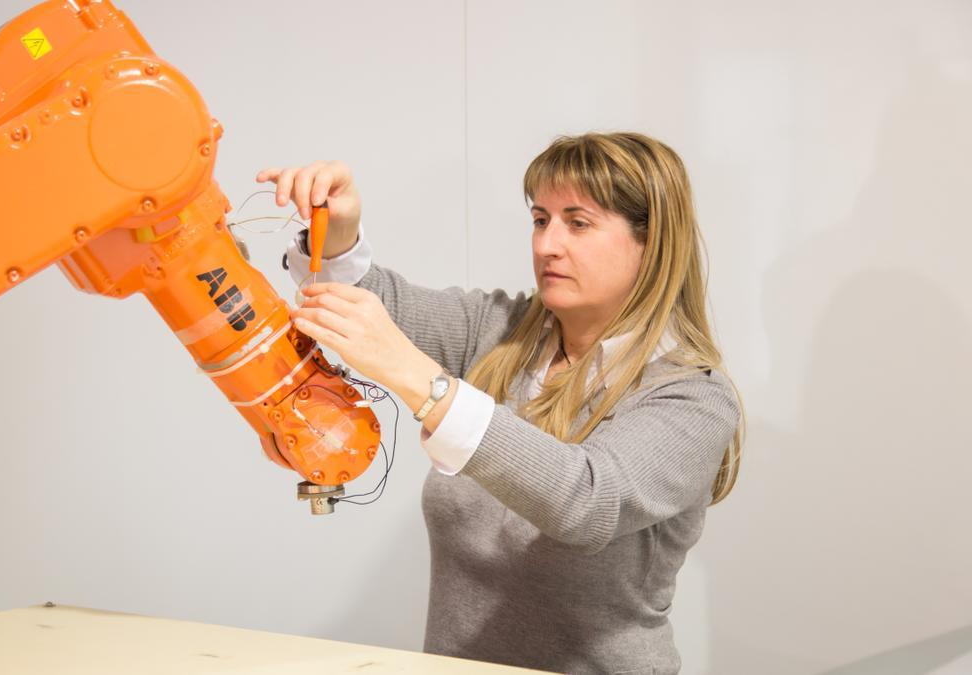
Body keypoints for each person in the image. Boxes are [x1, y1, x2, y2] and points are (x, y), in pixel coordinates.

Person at [258, 132, 743, 675]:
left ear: (651, 243)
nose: (546, 245)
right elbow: (377, 304)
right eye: (541, 220)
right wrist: (339, 231)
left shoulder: (692, 397)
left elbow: (586, 501)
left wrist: (424, 383)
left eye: (578, 223)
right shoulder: (500, 332)